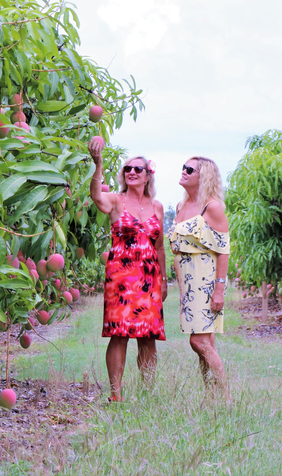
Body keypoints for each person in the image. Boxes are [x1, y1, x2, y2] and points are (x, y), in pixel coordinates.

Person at [88, 140, 167, 402]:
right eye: (127, 169)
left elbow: (159, 246)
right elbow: (96, 195)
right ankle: (116, 394)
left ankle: (148, 392)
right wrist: (98, 164)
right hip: (121, 277)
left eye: (137, 169)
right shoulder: (116, 200)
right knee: (119, 335)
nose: (131, 172)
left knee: (147, 337)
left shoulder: (156, 207)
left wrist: (163, 280)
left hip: (149, 278)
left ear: (147, 175)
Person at [167, 157, 231, 399]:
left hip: (205, 277)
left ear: (203, 177)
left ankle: (226, 398)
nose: (183, 171)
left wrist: (219, 289)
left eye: (189, 169)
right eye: (183, 167)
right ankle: (211, 396)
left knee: (199, 342)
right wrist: (182, 285)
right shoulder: (181, 206)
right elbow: (177, 248)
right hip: (188, 280)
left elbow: (223, 249)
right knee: (206, 343)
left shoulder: (212, 207)